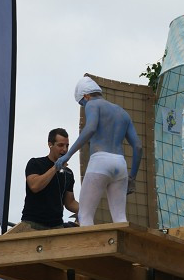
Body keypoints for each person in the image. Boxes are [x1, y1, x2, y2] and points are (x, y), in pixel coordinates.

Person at [55, 77, 142, 226]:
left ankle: (88, 249)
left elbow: (91, 128)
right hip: (120, 165)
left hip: (100, 162)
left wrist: (68, 155)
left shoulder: (92, 104)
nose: (84, 106)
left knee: (85, 214)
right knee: (120, 218)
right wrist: (132, 177)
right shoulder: (123, 113)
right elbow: (138, 146)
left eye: (82, 103)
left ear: (86, 96)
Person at [22, 128, 80, 230]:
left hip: (56, 226)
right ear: (50, 144)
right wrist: (55, 168)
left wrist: (88, 209)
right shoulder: (35, 163)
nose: (65, 150)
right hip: (33, 224)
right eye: (60, 145)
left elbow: (70, 202)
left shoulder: (68, 173)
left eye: (67, 146)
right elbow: (35, 186)